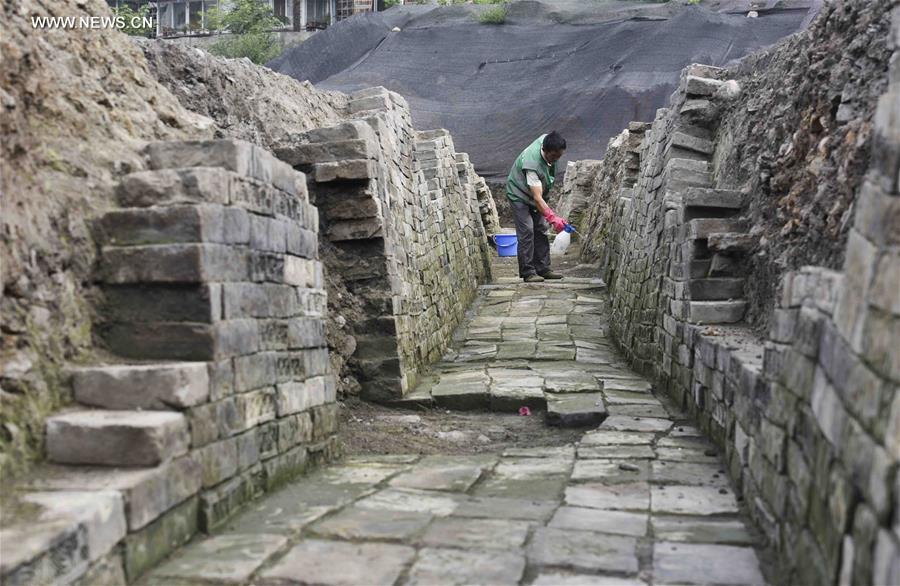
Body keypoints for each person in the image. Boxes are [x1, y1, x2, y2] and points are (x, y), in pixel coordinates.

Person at [505, 131, 570, 283]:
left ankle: (543, 268)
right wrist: (553, 218)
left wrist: (548, 218)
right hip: (519, 194)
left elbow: (539, 197)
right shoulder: (532, 164)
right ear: (546, 151)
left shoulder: (548, 141)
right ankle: (528, 272)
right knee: (527, 229)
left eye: (559, 156)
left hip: (534, 195)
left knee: (541, 227)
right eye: (554, 156)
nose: (556, 160)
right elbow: (537, 197)